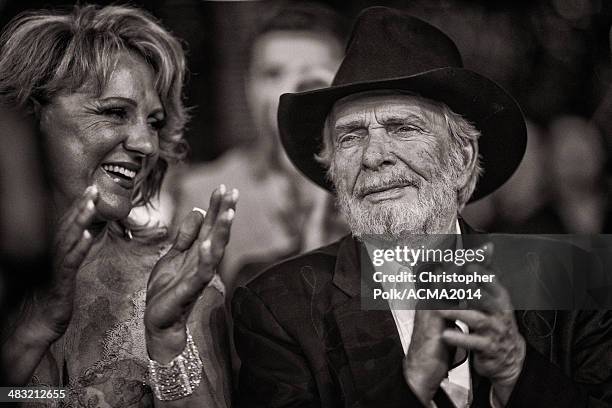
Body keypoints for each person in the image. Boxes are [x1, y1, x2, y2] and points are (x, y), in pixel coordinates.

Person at [232, 7, 612, 407]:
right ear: (332, 171)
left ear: (463, 158)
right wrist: (411, 385)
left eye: (403, 128)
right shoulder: (278, 306)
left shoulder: (571, 279)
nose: (374, 156)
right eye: (350, 136)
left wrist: (517, 370)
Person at [0, 5, 236, 407]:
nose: (146, 144)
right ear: (28, 117)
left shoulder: (177, 284)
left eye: (155, 122)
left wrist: (167, 343)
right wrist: (33, 328)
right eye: (114, 112)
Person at [174, 1, 348, 291]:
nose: (289, 90)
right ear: (247, 86)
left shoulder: (379, 184)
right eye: (273, 74)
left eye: (310, 75)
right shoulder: (205, 192)